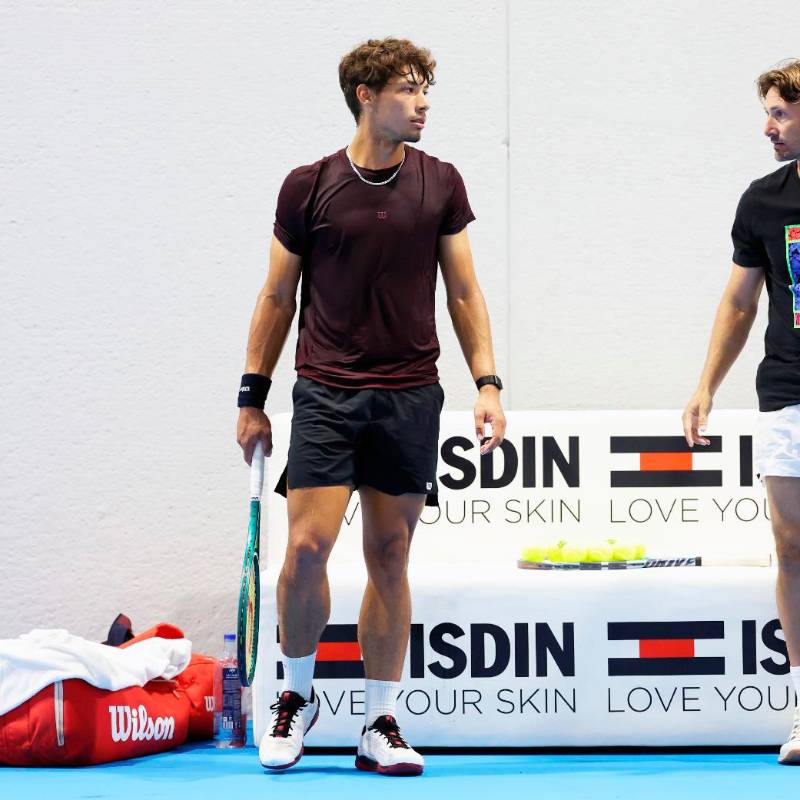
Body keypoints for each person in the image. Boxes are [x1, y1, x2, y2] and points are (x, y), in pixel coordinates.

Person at [236, 37, 506, 776]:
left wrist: (487, 382)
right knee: (306, 551)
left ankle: (379, 721)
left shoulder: (441, 183)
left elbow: (463, 292)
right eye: (409, 90)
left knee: (390, 555)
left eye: (427, 91)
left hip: (410, 393)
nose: (423, 104)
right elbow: (275, 295)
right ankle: (294, 696)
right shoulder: (309, 185)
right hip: (325, 391)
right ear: (366, 94)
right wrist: (251, 397)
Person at [682, 59, 800, 765]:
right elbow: (738, 301)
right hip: (788, 389)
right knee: (791, 545)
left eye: (781, 113)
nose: (768, 126)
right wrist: (706, 385)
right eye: (769, 112)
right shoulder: (763, 202)